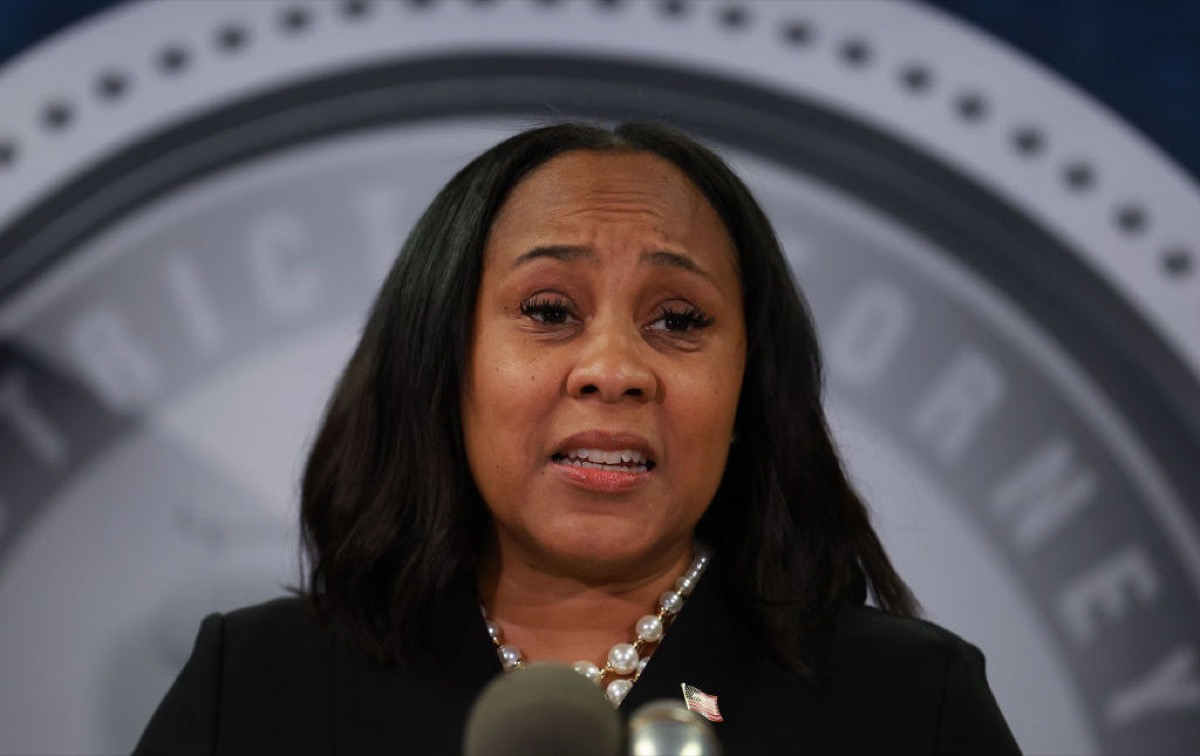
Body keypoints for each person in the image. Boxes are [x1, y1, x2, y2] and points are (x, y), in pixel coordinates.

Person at [134, 122, 1020, 755]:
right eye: (549, 311)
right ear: (442, 362)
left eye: (679, 320)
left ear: (749, 386)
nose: (614, 368)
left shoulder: (910, 704)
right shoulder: (255, 684)